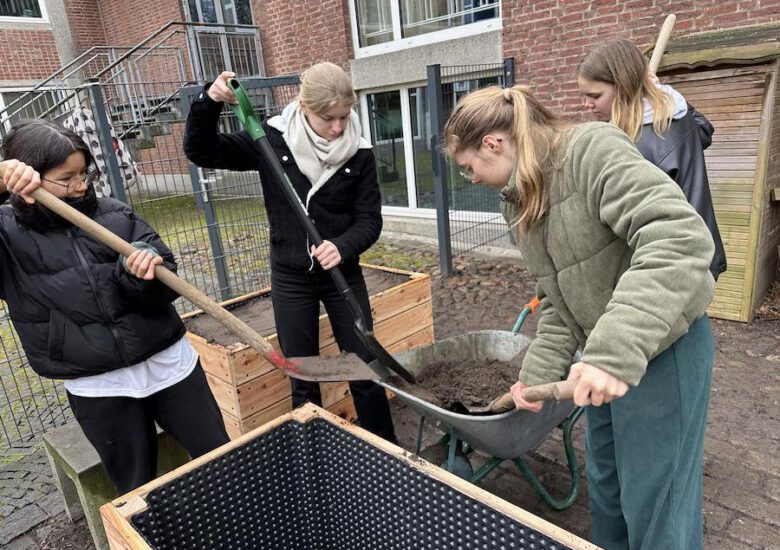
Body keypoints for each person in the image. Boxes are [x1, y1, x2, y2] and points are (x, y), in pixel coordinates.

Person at [443, 85, 716, 550]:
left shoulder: (592, 150)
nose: (474, 179)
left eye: (470, 169)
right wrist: (533, 380)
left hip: (661, 350)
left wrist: (610, 355)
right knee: (608, 493)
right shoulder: (524, 198)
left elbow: (678, 238)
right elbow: (556, 299)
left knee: (656, 506)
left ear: (494, 142)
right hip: (602, 361)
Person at [0, 119, 229, 494]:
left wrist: (139, 275)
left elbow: (165, 276)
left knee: (220, 462)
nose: (81, 186)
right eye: (66, 178)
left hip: (168, 366)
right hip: (98, 385)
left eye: (83, 173)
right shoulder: (7, 236)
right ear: (27, 180)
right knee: (136, 489)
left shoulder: (115, 215)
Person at [183, 62, 396, 442]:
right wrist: (210, 100)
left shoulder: (359, 152)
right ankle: (311, 451)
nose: (338, 128)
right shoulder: (270, 141)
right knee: (301, 371)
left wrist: (342, 246)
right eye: (328, 118)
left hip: (342, 275)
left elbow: (369, 221)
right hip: (291, 276)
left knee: (365, 369)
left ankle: (386, 450)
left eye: (344, 117)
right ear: (303, 106)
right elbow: (202, 150)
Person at [577, 38, 726, 280]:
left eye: (595, 95)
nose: (587, 104)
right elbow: (703, 130)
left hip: (671, 268)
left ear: (624, 87)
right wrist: (662, 92)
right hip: (700, 255)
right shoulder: (676, 116)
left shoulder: (633, 147)